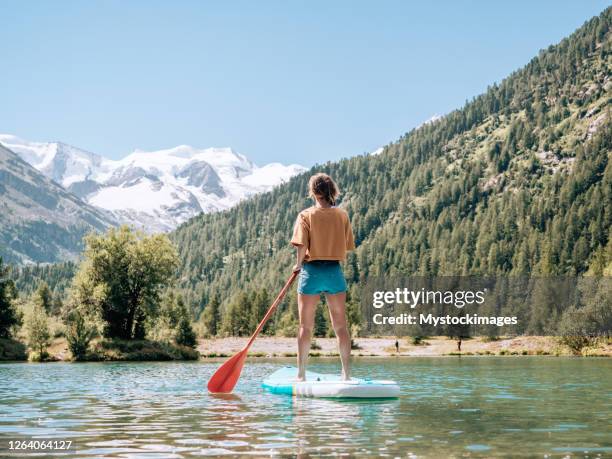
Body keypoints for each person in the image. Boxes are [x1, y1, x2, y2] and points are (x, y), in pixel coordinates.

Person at [291, 173, 355, 381]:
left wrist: (297, 265)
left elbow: (302, 245)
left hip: (312, 272)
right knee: (341, 326)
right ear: (331, 191)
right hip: (334, 272)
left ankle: (301, 375)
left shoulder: (306, 215)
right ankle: (346, 374)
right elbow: (347, 245)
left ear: (313, 192)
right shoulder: (342, 215)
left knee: (305, 327)